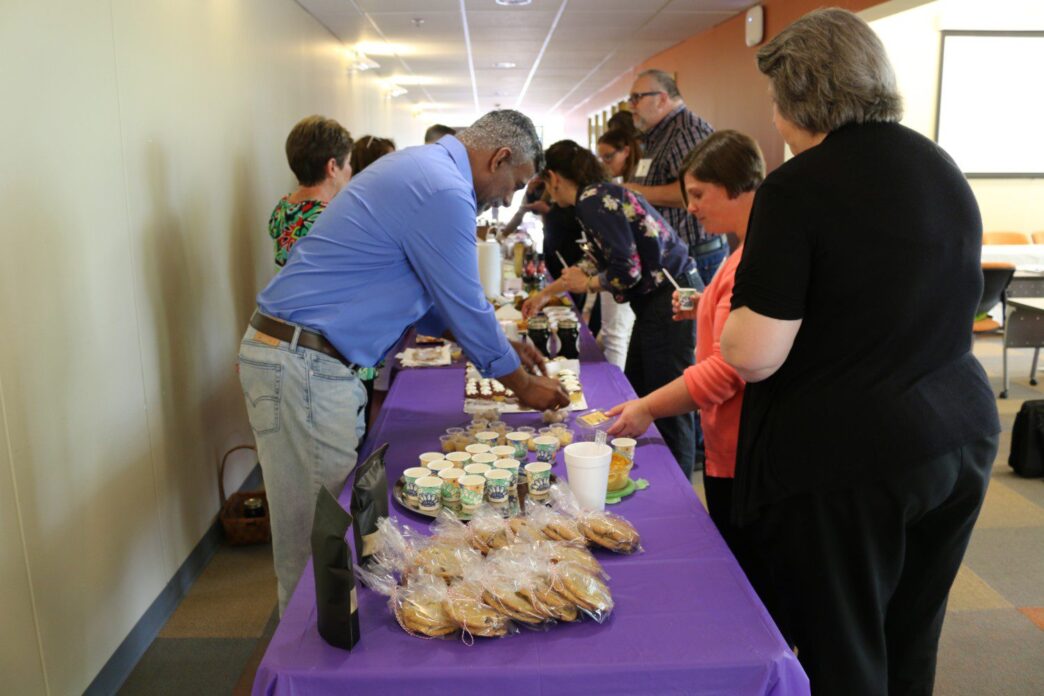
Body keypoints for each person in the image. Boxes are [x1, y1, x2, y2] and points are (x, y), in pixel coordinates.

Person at [718, 10, 1000, 694]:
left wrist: (729, 325)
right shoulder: (939, 166)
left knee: (842, 647)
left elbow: (754, 354)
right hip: (958, 433)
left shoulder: (798, 186)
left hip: (853, 455)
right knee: (909, 636)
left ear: (796, 94)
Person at [239, 110, 569, 612]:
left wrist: (496, 343)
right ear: (498, 158)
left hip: (310, 360)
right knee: (317, 548)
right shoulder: (444, 189)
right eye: (514, 184)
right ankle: (306, 676)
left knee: (329, 536)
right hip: (304, 362)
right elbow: (461, 299)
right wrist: (522, 385)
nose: (508, 200)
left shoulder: (426, 169)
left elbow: (435, 302)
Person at [605, 130, 765, 584]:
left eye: (698, 194)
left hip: (741, 447)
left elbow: (725, 371)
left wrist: (647, 407)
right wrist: (704, 301)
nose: (690, 207)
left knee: (745, 576)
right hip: (728, 441)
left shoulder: (756, 257)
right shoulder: (743, 250)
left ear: (738, 186)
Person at [522, 140, 701, 478]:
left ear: (554, 176)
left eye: (545, 184)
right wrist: (548, 292)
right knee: (639, 388)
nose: (548, 195)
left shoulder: (591, 201)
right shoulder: (597, 195)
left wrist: (588, 285)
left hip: (672, 296)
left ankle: (678, 485)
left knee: (666, 399)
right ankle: (645, 470)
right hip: (660, 297)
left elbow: (627, 270)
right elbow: (595, 260)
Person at [625, 69, 722, 286]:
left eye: (636, 98)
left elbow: (697, 190)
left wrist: (636, 193)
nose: (631, 105)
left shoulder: (685, 131)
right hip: (673, 256)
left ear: (661, 98)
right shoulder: (659, 133)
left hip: (694, 257)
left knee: (692, 320)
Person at [269, 116, 353, 268]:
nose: (350, 170)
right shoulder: (333, 219)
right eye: (348, 162)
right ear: (332, 166)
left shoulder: (282, 208)